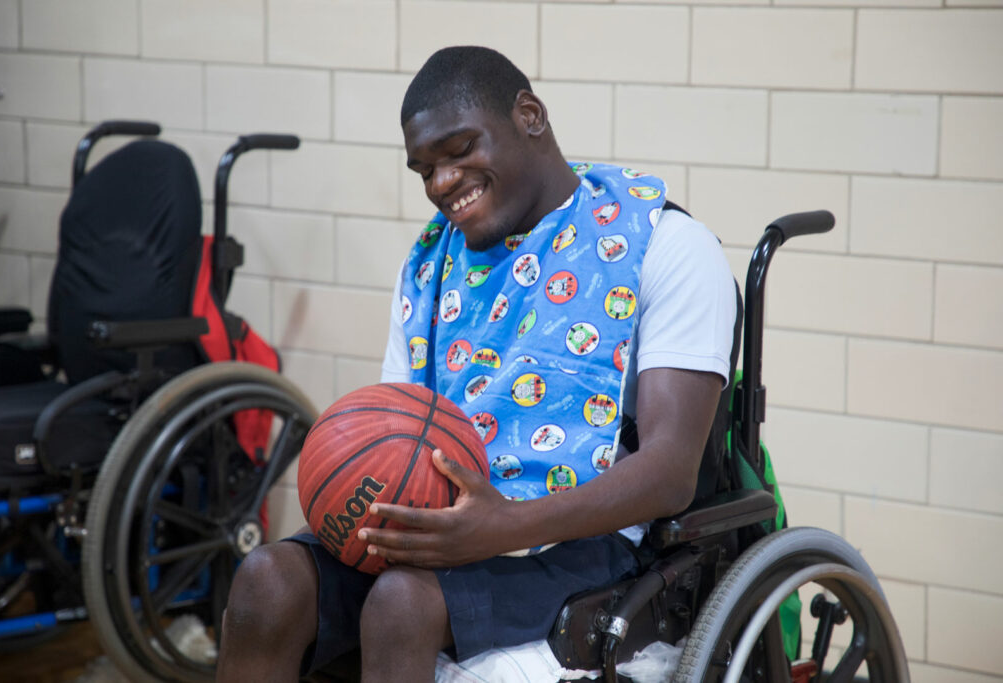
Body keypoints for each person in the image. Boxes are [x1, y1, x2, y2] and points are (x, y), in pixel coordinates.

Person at [216, 46, 736, 683]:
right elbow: (393, 427)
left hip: (593, 545)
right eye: (424, 168)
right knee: (268, 581)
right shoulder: (431, 264)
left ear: (529, 116)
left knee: (401, 604)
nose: (440, 183)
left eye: (459, 149)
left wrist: (502, 526)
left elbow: (671, 473)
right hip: (447, 523)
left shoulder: (666, 245)